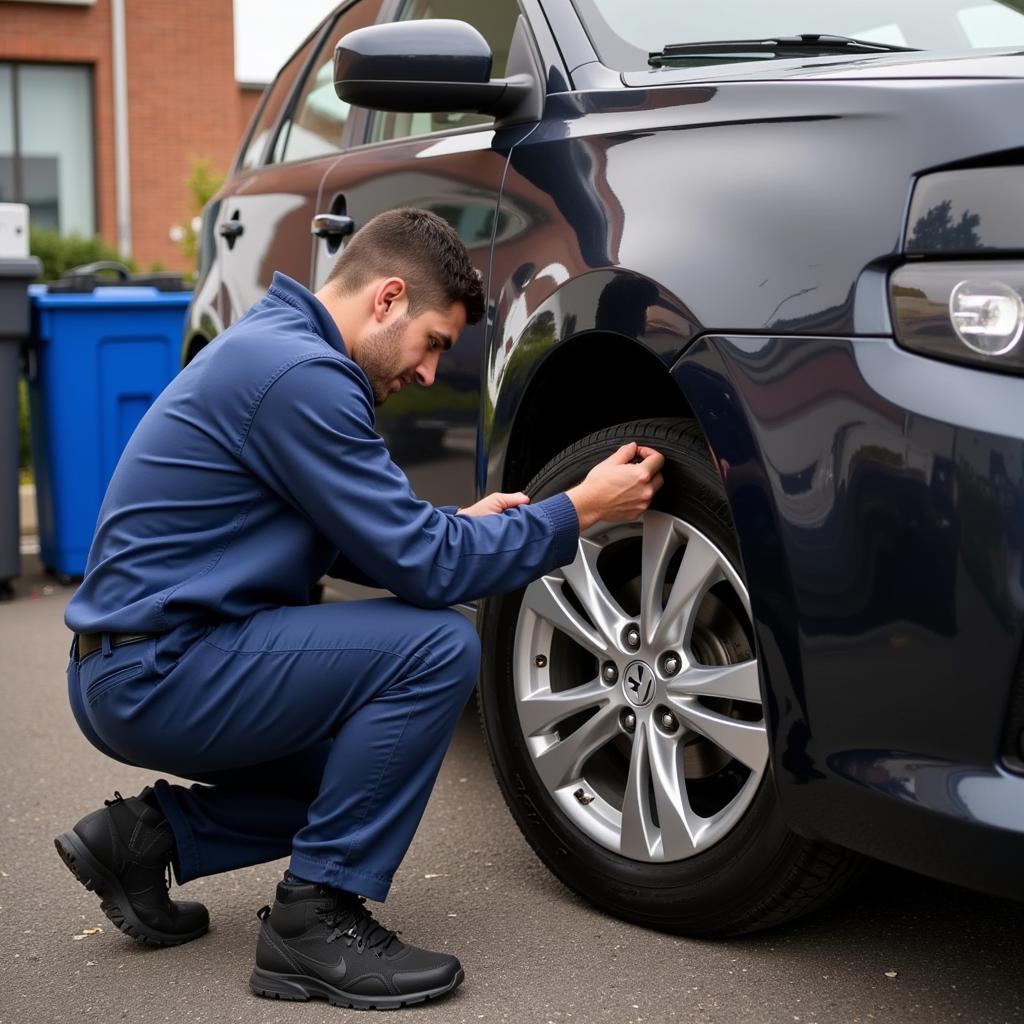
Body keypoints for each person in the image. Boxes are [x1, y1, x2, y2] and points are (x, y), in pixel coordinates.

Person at [55, 208, 665, 1010]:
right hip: (157, 667)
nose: (426, 374)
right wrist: (576, 510)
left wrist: (453, 529)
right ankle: (314, 919)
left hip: (137, 658)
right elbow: (424, 568)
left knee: (361, 773)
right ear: (387, 299)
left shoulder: (275, 348)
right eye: (434, 344)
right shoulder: (302, 375)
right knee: (438, 650)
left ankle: (144, 840)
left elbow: (375, 542)